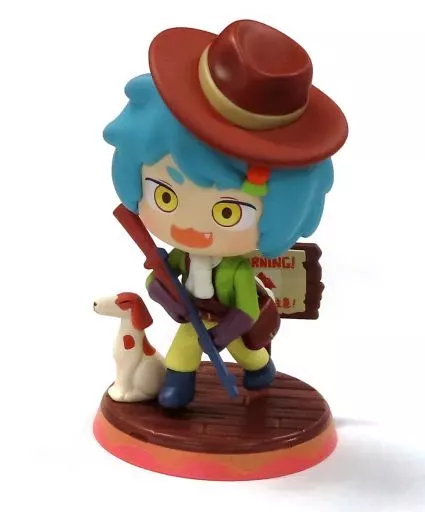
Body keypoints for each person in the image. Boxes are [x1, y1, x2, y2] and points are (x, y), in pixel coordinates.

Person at [103, 20, 348, 408]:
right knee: (184, 349)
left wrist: (225, 331)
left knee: (248, 352)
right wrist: (168, 298)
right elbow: (156, 278)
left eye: (229, 213)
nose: (190, 227)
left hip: (226, 321)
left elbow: (248, 307)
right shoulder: (182, 257)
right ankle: (180, 385)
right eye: (165, 197)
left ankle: (260, 369)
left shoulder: (235, 271)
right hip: (195, 319)